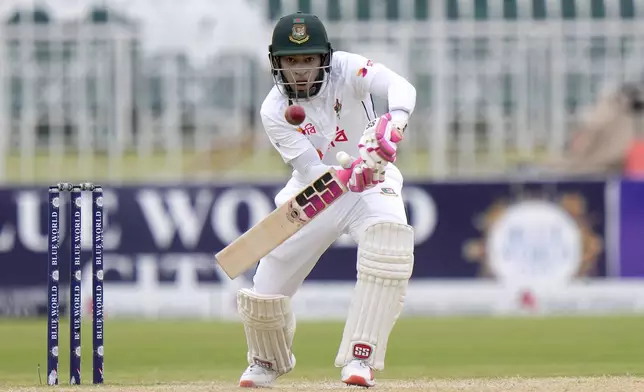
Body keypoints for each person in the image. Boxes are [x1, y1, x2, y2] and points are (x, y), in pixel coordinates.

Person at [236, 11, 417, 388]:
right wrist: (350, 175)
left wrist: (393, 122)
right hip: (316, 188)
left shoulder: (349, 69)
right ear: (277, 63)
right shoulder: (274, 110)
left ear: (324, 58)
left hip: (373, 181)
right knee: (266, 287)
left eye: (308, 59)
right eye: (291, 60)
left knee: (389, 242)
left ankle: (360, 358)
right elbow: (310, 171)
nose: (300, 69)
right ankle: (267, 360)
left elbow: (401, 87)